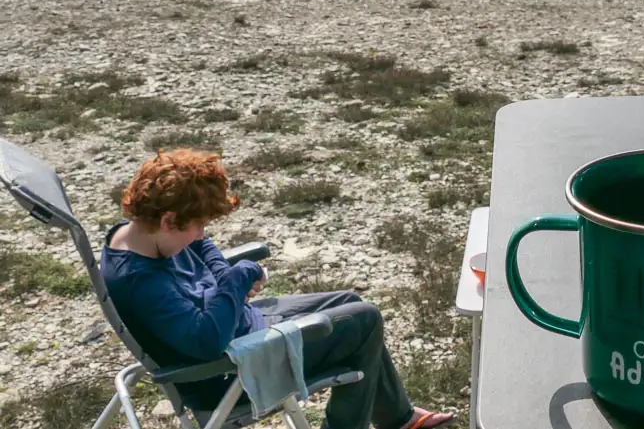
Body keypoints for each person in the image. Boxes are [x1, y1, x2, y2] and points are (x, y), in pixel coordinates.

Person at [99, 148, 455, 429]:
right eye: (198, 226)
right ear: (168, 220)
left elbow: (201, 249)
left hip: (239, 325)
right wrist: (237, 282)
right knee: (364, 322)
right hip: (227, 371)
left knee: (349, 302)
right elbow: (206, 341)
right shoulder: (140, 280)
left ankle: (397, 419)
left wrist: (225, 277)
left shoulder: (140, 231)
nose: (202, 235)